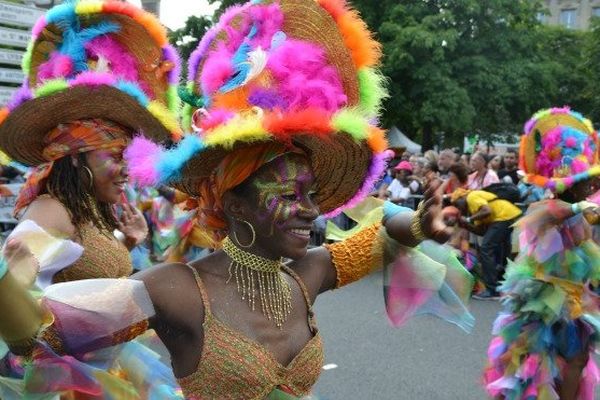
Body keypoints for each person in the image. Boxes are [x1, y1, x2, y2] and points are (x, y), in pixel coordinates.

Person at [0, 1, 474, 399]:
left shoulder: (306, 274)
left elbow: (374, 240)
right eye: (290, 194)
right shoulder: (176, 288)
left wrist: (417, 225)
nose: (310, 209)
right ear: (236, 204)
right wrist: (7, 281)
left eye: (310, 194)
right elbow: (41, 337)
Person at [0, 0, 182, 285]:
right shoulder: (52, 210)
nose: (126, 170)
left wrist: (128, 240)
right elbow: (13, 301)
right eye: (116, 156)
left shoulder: (87, 207)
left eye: (127, 158)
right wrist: (14, 280)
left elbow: (83, 275)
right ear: (74, 155)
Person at [484, 107, 600, 399]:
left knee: (578, 359)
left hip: (573, 299)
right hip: (543, 301)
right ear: (569, 186)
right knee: (537, 366)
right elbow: (547, 215)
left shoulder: (583, 212)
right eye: (587, 180)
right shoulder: (547, 208)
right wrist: (577, 208)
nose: (593, 184)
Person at [452, 188, 522, 299]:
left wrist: (469, 219)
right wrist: (466, 225)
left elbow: (487, 211)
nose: (458, 208)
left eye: (457, 204)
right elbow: (482, 232)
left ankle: (491, 290)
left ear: (461, 198)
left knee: (486, 248)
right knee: (498, 250)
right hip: (506, 216)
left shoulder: (471, 196)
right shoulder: (474, 210)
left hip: (504, 216)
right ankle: (499, 286)